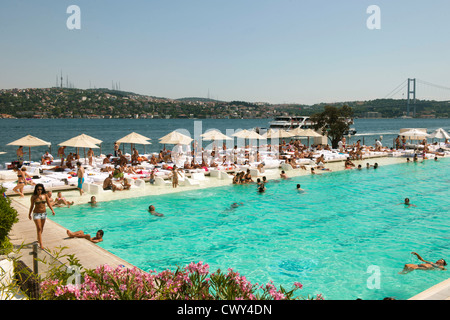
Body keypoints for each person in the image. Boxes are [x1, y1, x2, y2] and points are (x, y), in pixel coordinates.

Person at [28, 184, 55, 249]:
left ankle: (38, 238)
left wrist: (52, 210)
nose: (39, 191)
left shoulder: (45, 195)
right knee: (39, 228)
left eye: (40, 189)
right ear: (36, 190)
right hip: (36, 214)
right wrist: (29, 214)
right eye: (38, 189)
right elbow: (32, 206)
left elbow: (48, 203)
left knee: (41, 228)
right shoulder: (33, 197)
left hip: (43, 213)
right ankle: (41, 244)